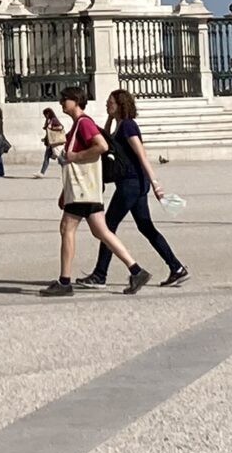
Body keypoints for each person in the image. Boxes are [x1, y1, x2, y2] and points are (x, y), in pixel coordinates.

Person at [41, 86, 150, 298]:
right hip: (85, 188)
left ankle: (64, 282)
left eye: (65, 99)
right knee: (101, 231)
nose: (61, 103)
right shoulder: (78, 125)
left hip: (84, 189)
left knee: (67, 228)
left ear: (76, 100)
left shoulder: (84, 123)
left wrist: (74, 157)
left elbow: (100, 146)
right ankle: (136, 271)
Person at [77, 90, 188, 290]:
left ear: (120, 104)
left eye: (110, 103)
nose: (106, 105)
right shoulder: (121, 125)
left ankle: (100, 275)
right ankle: (176, 267)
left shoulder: (128, 126)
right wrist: (111, 117)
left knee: (107, 227)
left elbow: (141, 155)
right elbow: (109, 139)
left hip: (132, 184)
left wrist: (156, 184)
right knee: (146, 227)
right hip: (132, 184)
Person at [35, 108, 67, 177]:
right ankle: (41, 173)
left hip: (55, 143)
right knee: (46, 157)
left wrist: (51, 128)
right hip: (50, 143)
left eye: (45, 114)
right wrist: (45, 139)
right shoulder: (49, 120)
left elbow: (61, 127)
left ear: (48, 113)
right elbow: (48, 131)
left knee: (60, 158)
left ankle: (67, 171)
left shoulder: (54, 120)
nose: (45, 116)